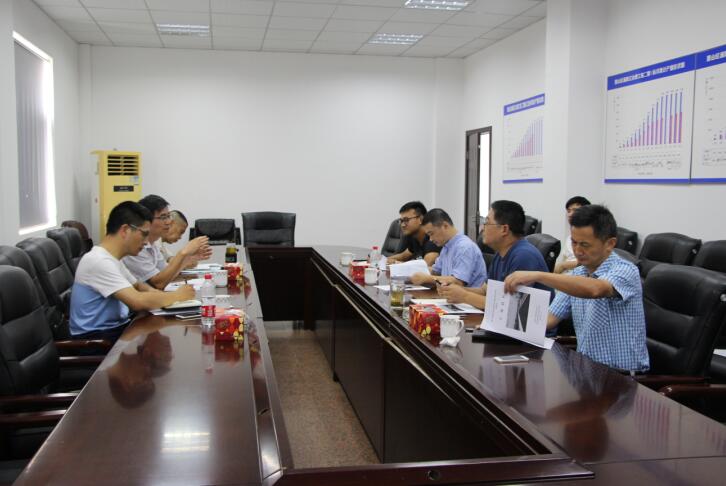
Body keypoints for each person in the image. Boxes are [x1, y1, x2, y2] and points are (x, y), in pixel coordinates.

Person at [504, 205, 649, 372]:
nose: (578, 251)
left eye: (585, 245)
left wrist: (539, 275)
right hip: (586, 371)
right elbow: (549, 320)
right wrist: (501, 322)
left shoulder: (626, 270)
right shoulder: (578, 273)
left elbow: (595, 289)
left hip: (622, 378)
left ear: (610, 244)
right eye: (574, 242)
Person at [69, 201, 195, 343]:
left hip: (115, 329)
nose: (146, 241)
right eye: (144, 234)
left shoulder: (112, 258)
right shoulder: (99, 261)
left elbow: (140, 287)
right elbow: (137, 301)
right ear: (125, 230)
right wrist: (177, 296)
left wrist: (169, 298)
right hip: (97, 340)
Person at [438, 200, 550, 309]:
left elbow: (511, 307)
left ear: (504, 229)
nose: (482, 228)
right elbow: (485, 291)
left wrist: (464, 296)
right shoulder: (500, 253)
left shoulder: (524, 256)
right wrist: (453, 291)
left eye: (487, 223)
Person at [123, 195, 212, 289]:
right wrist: (183, 253)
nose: (169, 222)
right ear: (146, 219)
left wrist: (187, 259)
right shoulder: (135, 246)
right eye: (163, 217)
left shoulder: (153, 244)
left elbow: (166, 274)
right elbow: (158, 283)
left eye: (168, 216)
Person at [410, 208, 487, 288]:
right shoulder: (446, 246)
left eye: (431, 233)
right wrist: (411, 272)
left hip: (468, 295)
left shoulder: (464, 247)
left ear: (445, 226)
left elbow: (457, 282)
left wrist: (427, 278)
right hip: (448, 294)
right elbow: (436, 271)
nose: (430, 239)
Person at [386, 201, 441, 266]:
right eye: (401, 221)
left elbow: (425, 268)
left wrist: (395, 263)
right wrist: (384, 260)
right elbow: (403, 256)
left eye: (406, 220)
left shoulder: (432, 239)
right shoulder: (415, 237)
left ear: (421, 219)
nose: (402, 225)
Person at [554, 196, 591, 274]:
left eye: (575, 210)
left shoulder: (591, 236)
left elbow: (589, 261)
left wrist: (563, 265)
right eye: (568, 211)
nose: (570, 214)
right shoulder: (570, 237)